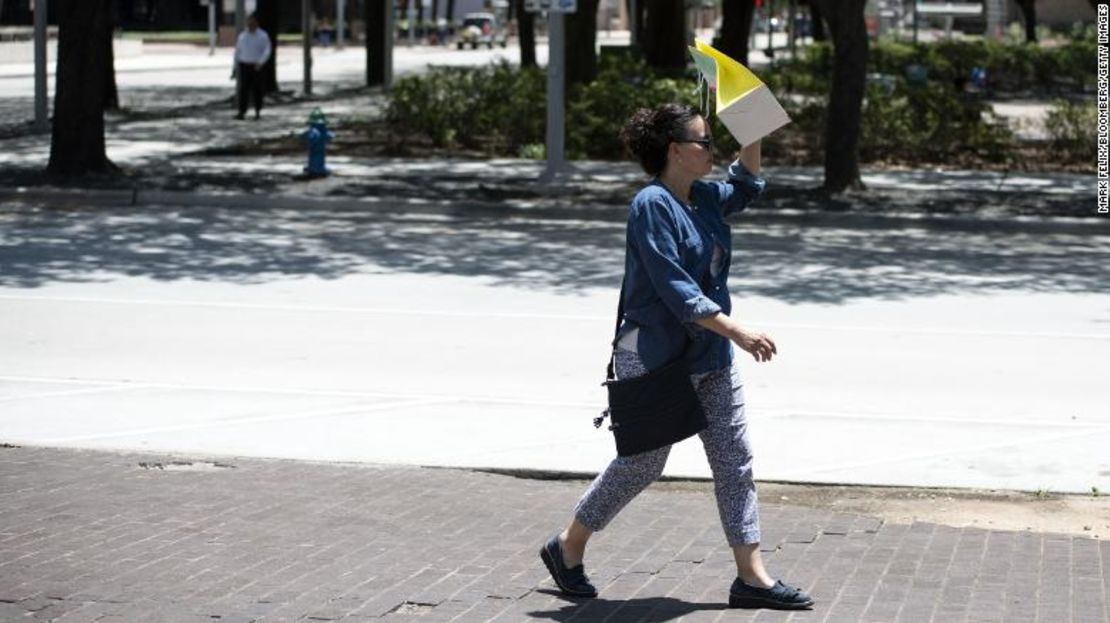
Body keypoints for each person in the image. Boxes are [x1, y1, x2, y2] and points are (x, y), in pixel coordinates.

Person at [539, 103, 814, 611]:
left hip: (708, 352)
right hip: (656, 355)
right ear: (675, 151)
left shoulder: (705, 197)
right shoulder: (651, 204)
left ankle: (751, 577)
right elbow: (675, 287)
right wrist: (737, 331)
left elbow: (748, 183)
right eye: (704, 142)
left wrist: (751, 123)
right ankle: (568, 545)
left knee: (734, 462)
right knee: (642, 464)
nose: (712, 150)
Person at [232, 14, 272, 120]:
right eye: (249, 22)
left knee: (257, 89)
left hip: (257, 66)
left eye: (252, 22)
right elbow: (237, 52)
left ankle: (257, 111)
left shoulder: (263, 36)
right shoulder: (242, 36)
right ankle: (242, 112)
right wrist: (235, 67)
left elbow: (267, 50)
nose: (250, 24)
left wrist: (261, 62)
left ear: (257, 23)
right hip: (244, 65)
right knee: (243, 89)